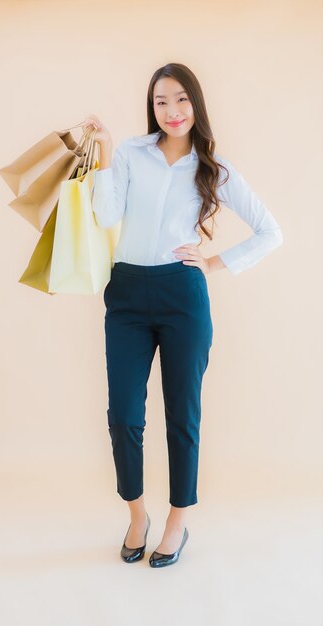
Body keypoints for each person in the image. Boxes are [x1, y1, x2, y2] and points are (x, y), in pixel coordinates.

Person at [82, 62, 283, 568]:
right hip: (126, 292)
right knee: (124, 417)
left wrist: (214, 262)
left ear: (196, 103)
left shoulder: (213, 166)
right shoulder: (130, 152)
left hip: (182, 298)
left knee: (182, 416)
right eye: (160, 102)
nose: (171, 111)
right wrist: (104, 154)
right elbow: (107, 216)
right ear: (151, 108)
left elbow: (270, 231)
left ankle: (176, 522)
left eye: (181, 100)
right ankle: (136, 516)